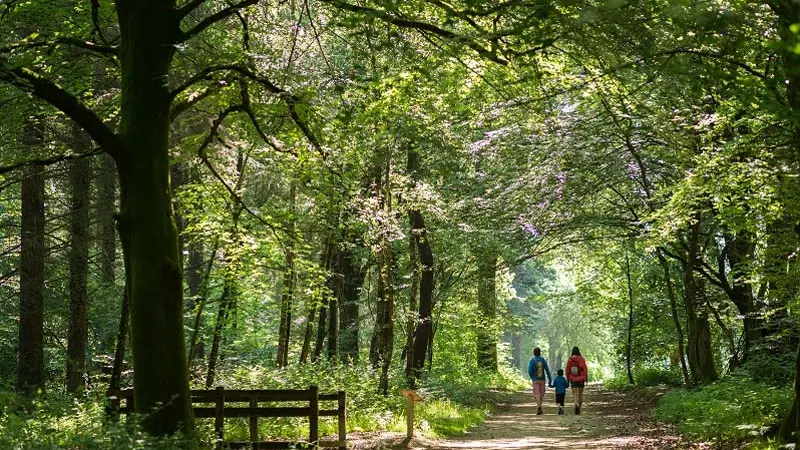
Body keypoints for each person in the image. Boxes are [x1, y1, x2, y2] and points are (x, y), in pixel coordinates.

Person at [527, 347, 552, 415]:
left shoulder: (532, 361)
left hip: (535, 380)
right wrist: (550, 379)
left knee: (537, 394)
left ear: (534, 353)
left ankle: (539, 407)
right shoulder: (543, 360)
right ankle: (540, 406)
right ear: (540, 353)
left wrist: (532, 377)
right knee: (541, 394)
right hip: (542, 379)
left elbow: (529, 371)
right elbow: (547, 370)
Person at [565, 346, 588, 415]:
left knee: (574, 394)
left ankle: (576, 404)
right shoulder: (581, 359)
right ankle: (579, 408)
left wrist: (568, 378)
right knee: (580, 394)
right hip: (581, 378)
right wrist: (585, 378)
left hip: (573, 378)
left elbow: (567, 369)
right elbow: (585, 369)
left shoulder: (570, 359)